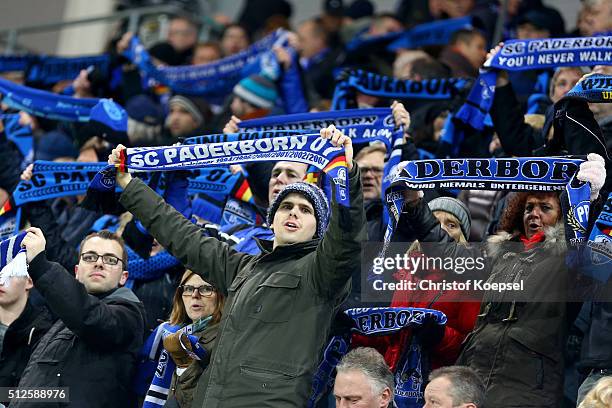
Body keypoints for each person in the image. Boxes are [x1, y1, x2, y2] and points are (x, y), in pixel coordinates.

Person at [109, 125, 365, 407]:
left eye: (306, 210)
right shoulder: (242, 267)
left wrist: (347, 173)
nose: (294, 211)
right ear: (272, 219)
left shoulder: (321, 272)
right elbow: (180, 234)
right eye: (286, 206)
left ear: (319, 229)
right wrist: (129, 185)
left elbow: (347, 237)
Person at [15, 229, 146, 407]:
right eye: (90, 257)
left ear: (124, 277)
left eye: (110, 260)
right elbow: (50, 390)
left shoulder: (128, 314)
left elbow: (91, 318)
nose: (99, 263)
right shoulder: (65, 319)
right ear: (76, 271)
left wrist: (40, 265)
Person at [139, 270, 225, 408]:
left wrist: (186, 367)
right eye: (189, 289)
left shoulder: (228, 338)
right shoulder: (168, 332)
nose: (195, 295)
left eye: (206, 289)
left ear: (221, 295)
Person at [0, 275, 54, 388]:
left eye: (9, 276)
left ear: (29, 282)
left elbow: (45, 393)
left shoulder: (44, 332)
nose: (1, 282)